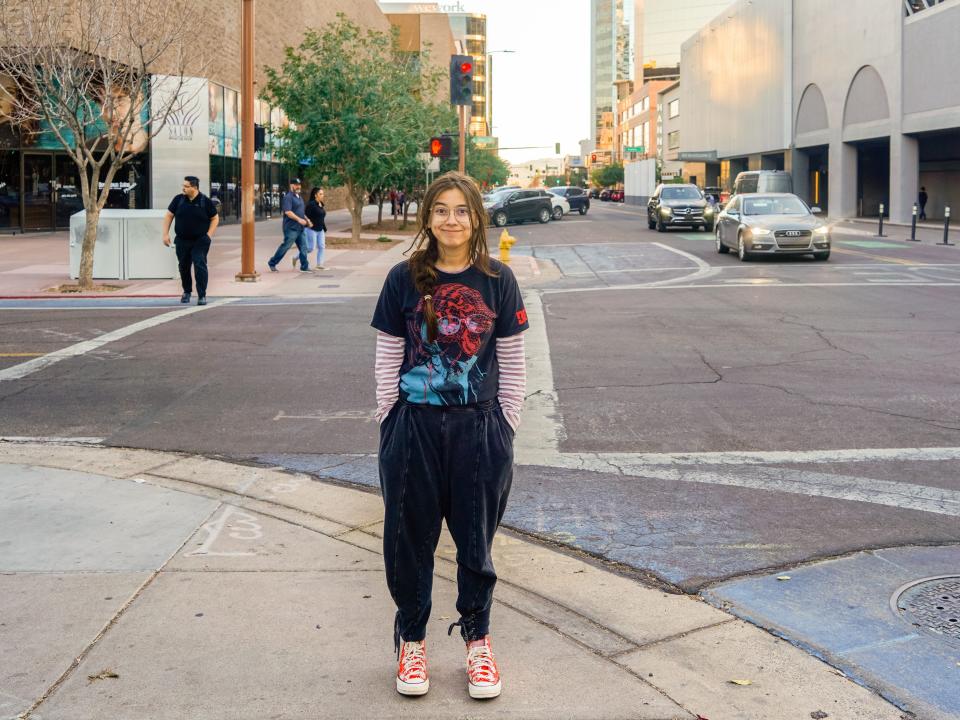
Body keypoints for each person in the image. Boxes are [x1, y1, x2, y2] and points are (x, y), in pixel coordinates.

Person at [371, 171, 528, 701]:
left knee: (475, 542)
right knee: (407, 541)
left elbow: (512, 359)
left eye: (461, 209)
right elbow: (389, 352)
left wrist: (506, 422)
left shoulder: (498, 279)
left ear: (477, 217)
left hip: (479, 429)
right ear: (428, 218)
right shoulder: (403, 277)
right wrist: (390, 417)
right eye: (441, 209)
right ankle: (411, 640)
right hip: (413, 425)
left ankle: (477, 641)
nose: (451, 219)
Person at [162, 176, 219, 305]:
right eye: (183, 185)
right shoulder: (178, 200)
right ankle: (187, 291)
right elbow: (169, 216)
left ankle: (201, 295)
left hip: (200, 240)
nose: (183, 188)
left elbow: (215, 218)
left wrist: (209, 235)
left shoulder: (205, 201)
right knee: (183, 266)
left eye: (186, 186)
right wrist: (165, 234)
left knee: (199, 264)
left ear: (194, 188)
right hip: (182, 240)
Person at [267, 177, 310, 272]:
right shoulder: (288, 197)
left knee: (304, 247)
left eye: (299, 185)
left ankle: (304, 267)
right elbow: (288, 212)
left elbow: (301, 212)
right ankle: (272, 262)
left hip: (300, 228)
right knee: (286, 246)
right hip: (291, 228)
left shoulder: (299, 197)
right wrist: (299, 219)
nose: (298, 186)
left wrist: (307, 219)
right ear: (291, 186)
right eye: (296, 185)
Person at [304, 187, 328, 271]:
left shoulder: (321, 204)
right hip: (311, 229)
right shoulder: (311, 204)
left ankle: (319, 264)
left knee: (322, 246)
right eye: (320, 194)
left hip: (320, 229)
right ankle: (297, 256)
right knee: (310, 248)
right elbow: (304, 215)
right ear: (315, 195)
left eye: (323, 194)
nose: (322, 195)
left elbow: (321, 216)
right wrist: (308, 222)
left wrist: (323, 227)